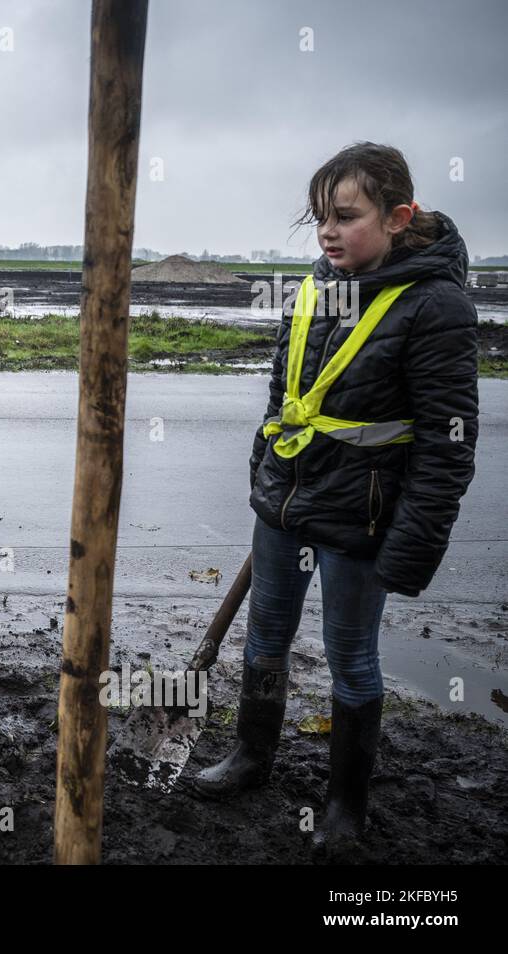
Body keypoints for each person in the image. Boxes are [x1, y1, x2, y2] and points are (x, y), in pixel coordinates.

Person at [193, 143, 479, 852]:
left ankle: (346, 807)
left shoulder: (437, 306)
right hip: (286, 503)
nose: (327, 231)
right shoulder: (318, 285)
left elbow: (449, 445)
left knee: (350, 657)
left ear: (399, 216)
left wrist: (411, 549)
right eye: (319, 216)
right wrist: (264, 468)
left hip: (364, 514)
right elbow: (282, 390)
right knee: (266, 638)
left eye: (346, 216)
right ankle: (252, 757)